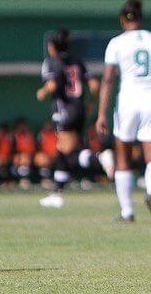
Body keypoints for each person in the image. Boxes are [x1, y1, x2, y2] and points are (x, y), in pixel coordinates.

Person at [96, 0, 151, 224]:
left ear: (123, 20)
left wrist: (102, 113)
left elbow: (108, 79)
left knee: (123, 156)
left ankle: (127, 212)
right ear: (141, 19)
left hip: (128, 101)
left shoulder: (116, 43)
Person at [36, 29, 103, 208]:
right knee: (62, 152)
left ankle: (98, 159)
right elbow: (95, 86)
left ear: (52, 46)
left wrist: (41, 93)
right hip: (80, 109)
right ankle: (58, 194)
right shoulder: (77, 61)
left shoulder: (52, 62)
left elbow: (52, 85)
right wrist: (91, 103)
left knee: (68, 152)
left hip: (64, 110)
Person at [13, 118, 37, 189]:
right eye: (20, 126)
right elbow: (11, 150)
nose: (22, 128)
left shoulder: (31, 135)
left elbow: (36, 148)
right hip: (17, 157)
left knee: (27, 158)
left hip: (31, 157)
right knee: (23, 158)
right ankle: (23, 179)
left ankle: (45, 180)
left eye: (24, 125)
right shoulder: (14, 136)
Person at [35, 120, 58, 189]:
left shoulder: (58, 133)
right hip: (46, 156)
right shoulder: (41, 135)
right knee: (41, 158)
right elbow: (38, 148)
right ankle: (46, 180)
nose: (49, 126)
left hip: (58, 156)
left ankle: (64, 180)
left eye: (50, 125)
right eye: (47, 125)